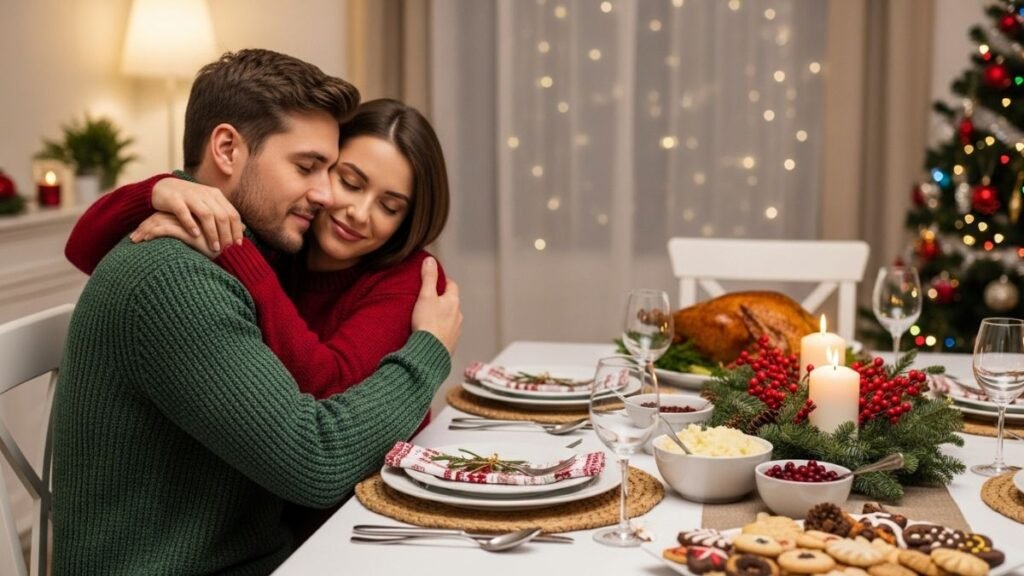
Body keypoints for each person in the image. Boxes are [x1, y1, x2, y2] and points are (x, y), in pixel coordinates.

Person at [52, 49, 461, 575]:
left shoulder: (260, 248)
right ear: (226, 148)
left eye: (328, 170)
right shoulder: (175, 278)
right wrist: (429, 352)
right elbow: (315, 460)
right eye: (310, 167)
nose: (325, 196)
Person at [66, 98, 451, 401]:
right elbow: (82, 249)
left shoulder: (413, 279)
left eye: (390, 207)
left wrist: (231, 247)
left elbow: (327, 387)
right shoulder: (284, 236)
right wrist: (159, 190)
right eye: (349, 182)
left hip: (370, 495)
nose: (359, 213)